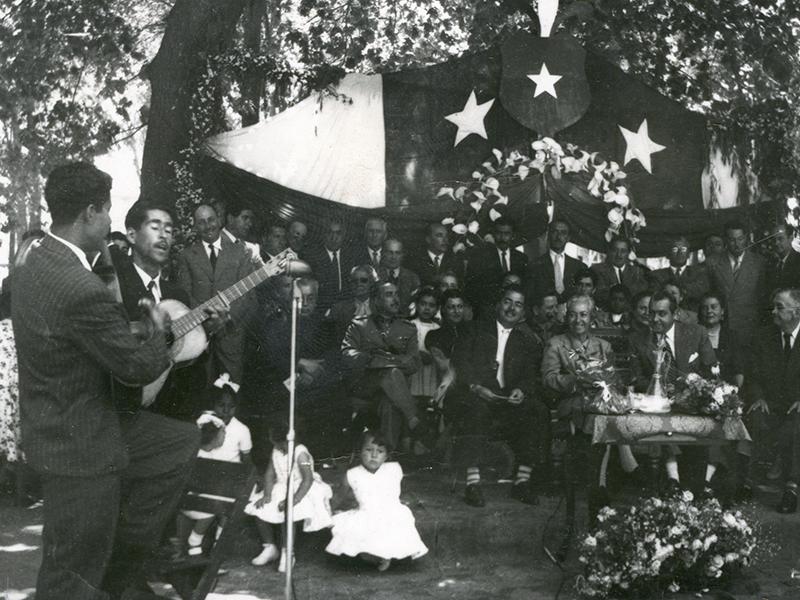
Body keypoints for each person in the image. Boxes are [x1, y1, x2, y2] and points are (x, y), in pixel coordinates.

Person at [12, 162, 199, 600]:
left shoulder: (32, 263)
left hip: (55, 431)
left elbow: (81, 338)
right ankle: (119, 557)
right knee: (70, 579)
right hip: (85, 450)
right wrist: (157, 331)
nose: (112, 222)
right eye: (109, 212)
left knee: (177, 441)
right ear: (90, 213)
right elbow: (136, 368)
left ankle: (126, 549)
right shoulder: (80, 284)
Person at [110, 199, 226, 420]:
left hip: (175, 409)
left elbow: (187, 359)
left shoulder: (177, 295)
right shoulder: (116, 287)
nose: (164, 236)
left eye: (169, 230)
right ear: (132, 235)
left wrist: (208, 330)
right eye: (155, 228)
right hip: (128, 409)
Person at [450, 285, 548, 507]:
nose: (511, 308)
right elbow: (461, 363)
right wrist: (476, 386)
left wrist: (521, 390)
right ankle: (472, 484)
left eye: (518, 304)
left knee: (537, 411)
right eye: (507, 301)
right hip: (475, 393)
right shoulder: (474, 329)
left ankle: (522, 482)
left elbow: (528, 375)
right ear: (498, 304)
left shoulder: (526, 341)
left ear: (523, 313)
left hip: (505, 399)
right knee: (475, 409)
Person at [541, 295, 639, 512]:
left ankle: (601, 485)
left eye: (583, 315)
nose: (578, 320)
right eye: (573, 314)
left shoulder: (603, 345)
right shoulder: (556, 344)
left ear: (591, 318)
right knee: (604, 418)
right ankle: (625, 460)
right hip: (572, 403)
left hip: (601, 403)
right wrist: (577, 380)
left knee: (609, 414)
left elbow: (614, 377)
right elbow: (548, 378)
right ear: (566, 318)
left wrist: (607, 382)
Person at [628, 290, 716, 490]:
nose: (655, 319)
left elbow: (711, 371)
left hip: (692, 402)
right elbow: (636, 378)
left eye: (662, 313)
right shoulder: (638, 339)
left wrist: (687, 389)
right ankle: (674, 481)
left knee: (701, 431)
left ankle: (696, 485)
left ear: (674, 314)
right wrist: (659, 387)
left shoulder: (696, 333)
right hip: (659, 404)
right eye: (652, 313)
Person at [176, 203, 258, 383]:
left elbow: (249, 296)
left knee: (230, 392)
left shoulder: (240, 252)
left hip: (231, 336)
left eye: (211, 220)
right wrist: (208, 320)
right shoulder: (187, 256)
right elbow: (185, 295)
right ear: (195, 226)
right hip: (199, 336)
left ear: (219, 220)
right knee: (200, 389)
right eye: (201, 222)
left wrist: (225, 319)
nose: (208, 226)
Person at [326, 430, 428, 571]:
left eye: (380, 451)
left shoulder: (394, 469)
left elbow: (395, 491)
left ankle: (386, 555)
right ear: (360, 452)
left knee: (390, 529)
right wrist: (328, 512)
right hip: (366, 514)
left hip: (392, 513)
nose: (374, 455)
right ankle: (375, 557)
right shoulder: (353, 474)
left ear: (386, 456)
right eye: (368, 450)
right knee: (353, 536)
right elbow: (339, 496)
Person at [342, 282, 425, 448]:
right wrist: (380, 361)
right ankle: (414, 420)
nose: (395, 299)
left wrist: (385, 361)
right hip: (365, 386)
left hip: (394, 392)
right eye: (389, 295)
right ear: (376, 301)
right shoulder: (359, 325)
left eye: (396, 294)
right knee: (391, 373)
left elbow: (414, 363)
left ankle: (388, 456)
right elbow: (347, 355)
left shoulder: (407, 328)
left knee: (390, 403)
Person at [177, 381, 252, 558]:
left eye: (231, 406)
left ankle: (218, 546)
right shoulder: (206, 424)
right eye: (221, 405)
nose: (226, 411)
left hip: (228, 480)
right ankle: (190, 544)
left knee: (226, 499)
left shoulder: (241, 430)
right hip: (203, 481)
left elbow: (246, 461)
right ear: (213, 405)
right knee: (208, 498)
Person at [245, 420, 333, 571]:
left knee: (288, 515)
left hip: (302, 488)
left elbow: (308, 478)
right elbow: (270, 473)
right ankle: (269, 547)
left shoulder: (301, 454)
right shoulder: (276, 450)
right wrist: (266, 495)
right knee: (258, 508)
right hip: (282, 486)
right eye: (277, 445)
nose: (280, 449)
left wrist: (293, 500)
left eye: (282, 445)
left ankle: (288, 552)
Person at [0, 232, 44, 502]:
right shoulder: (15, 281)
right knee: (13, 411)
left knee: (17, 412)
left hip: (19, 344)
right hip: (12, 345)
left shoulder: (20, 280)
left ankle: (19, 482)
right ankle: (16, 482)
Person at [747, 288, 800, 513]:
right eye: (774, 306)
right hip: (771, 402)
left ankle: (792, 487)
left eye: (780, 307)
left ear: (796, 312)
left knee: (796, 425)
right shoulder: (764, 337)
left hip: (796, 405)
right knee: (753, 416)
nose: (774, 312)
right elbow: (753, 374)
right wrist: (759, 397)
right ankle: (747, 482)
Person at [697, 292, 748, 500]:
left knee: (726, 424)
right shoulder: (695, 334)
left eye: (714, 306)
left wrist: (732, 395)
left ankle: (711, 480)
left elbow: (739, 371)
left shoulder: (732, 337)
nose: (709, 311)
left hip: (728, 396)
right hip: (701, 394)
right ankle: (708, 478)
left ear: (722, 312)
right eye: (705, 307)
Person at [705, 220, 767, 347]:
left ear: (746, 238)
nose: (737, 244)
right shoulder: (712, 262)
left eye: (740, 239)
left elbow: (763, 298)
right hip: (722, 327)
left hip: (750, 328)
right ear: (726, 240)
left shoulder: (759, 263)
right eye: (732, 240)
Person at [464, 217, 529, 316]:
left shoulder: (521, 258)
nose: (502, 238)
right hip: (488, 311)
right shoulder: (480, 257)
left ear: (513, 236)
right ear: (494, 234)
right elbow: (472, 289)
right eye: (499, 233)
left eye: (507, 234)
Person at [647, 235, 709, 311]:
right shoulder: (656, 275)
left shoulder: (699, 273)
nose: (680, 253)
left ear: (688, 254)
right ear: (667, 255)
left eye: (683, 249)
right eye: (675, 249)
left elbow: (701, 294)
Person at [306, 219, 355, 313]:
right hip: (320, 311)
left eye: (338, 233)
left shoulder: (351, 256)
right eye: (330, 233)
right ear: (323, 234)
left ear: (344, 235)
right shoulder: (312, 257)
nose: (334, 238)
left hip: (346, 311)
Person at [529, 219, 584, 301]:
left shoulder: (579, 266)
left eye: (563, 233)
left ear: (568, 238)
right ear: (548, 235)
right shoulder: (534, 265)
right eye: (555, 231)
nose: (558, 236)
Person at [327, 265, 378, 346]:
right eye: (354, 281)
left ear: (371, 282)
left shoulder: (380, 306)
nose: (358, 284)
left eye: (363, 280)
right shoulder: (339, 308)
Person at [410, 223, 464, 287]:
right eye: (439, 235)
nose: (445, 240)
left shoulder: (455, 260)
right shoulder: (416, 260)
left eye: (446, 236)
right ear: (428, 239)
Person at [378, 238, 421, 317]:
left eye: (397, 253)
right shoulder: (375, 276)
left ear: (402, 255)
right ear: (382, 253)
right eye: (390, 252)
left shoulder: (413, 278)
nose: (393, 257)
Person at [766, 223, 800, 294]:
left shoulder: (798, 261)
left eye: (780, 239)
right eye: (774, 240)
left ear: (790, 238)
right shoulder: (771, 263)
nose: (776, 243)